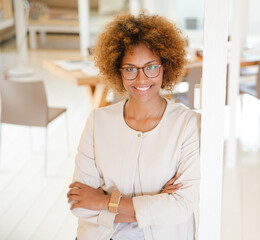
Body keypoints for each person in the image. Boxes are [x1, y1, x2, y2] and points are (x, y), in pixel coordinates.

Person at [66, 12, 201, 240]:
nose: (141, 79)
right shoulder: (98, 122)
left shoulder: (187, 125)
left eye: (151, 67)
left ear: (165, 67)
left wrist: (102, 201)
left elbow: (181, 207)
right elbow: (80, 205)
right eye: (130, 68)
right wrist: (155, 203)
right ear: (117, 71)